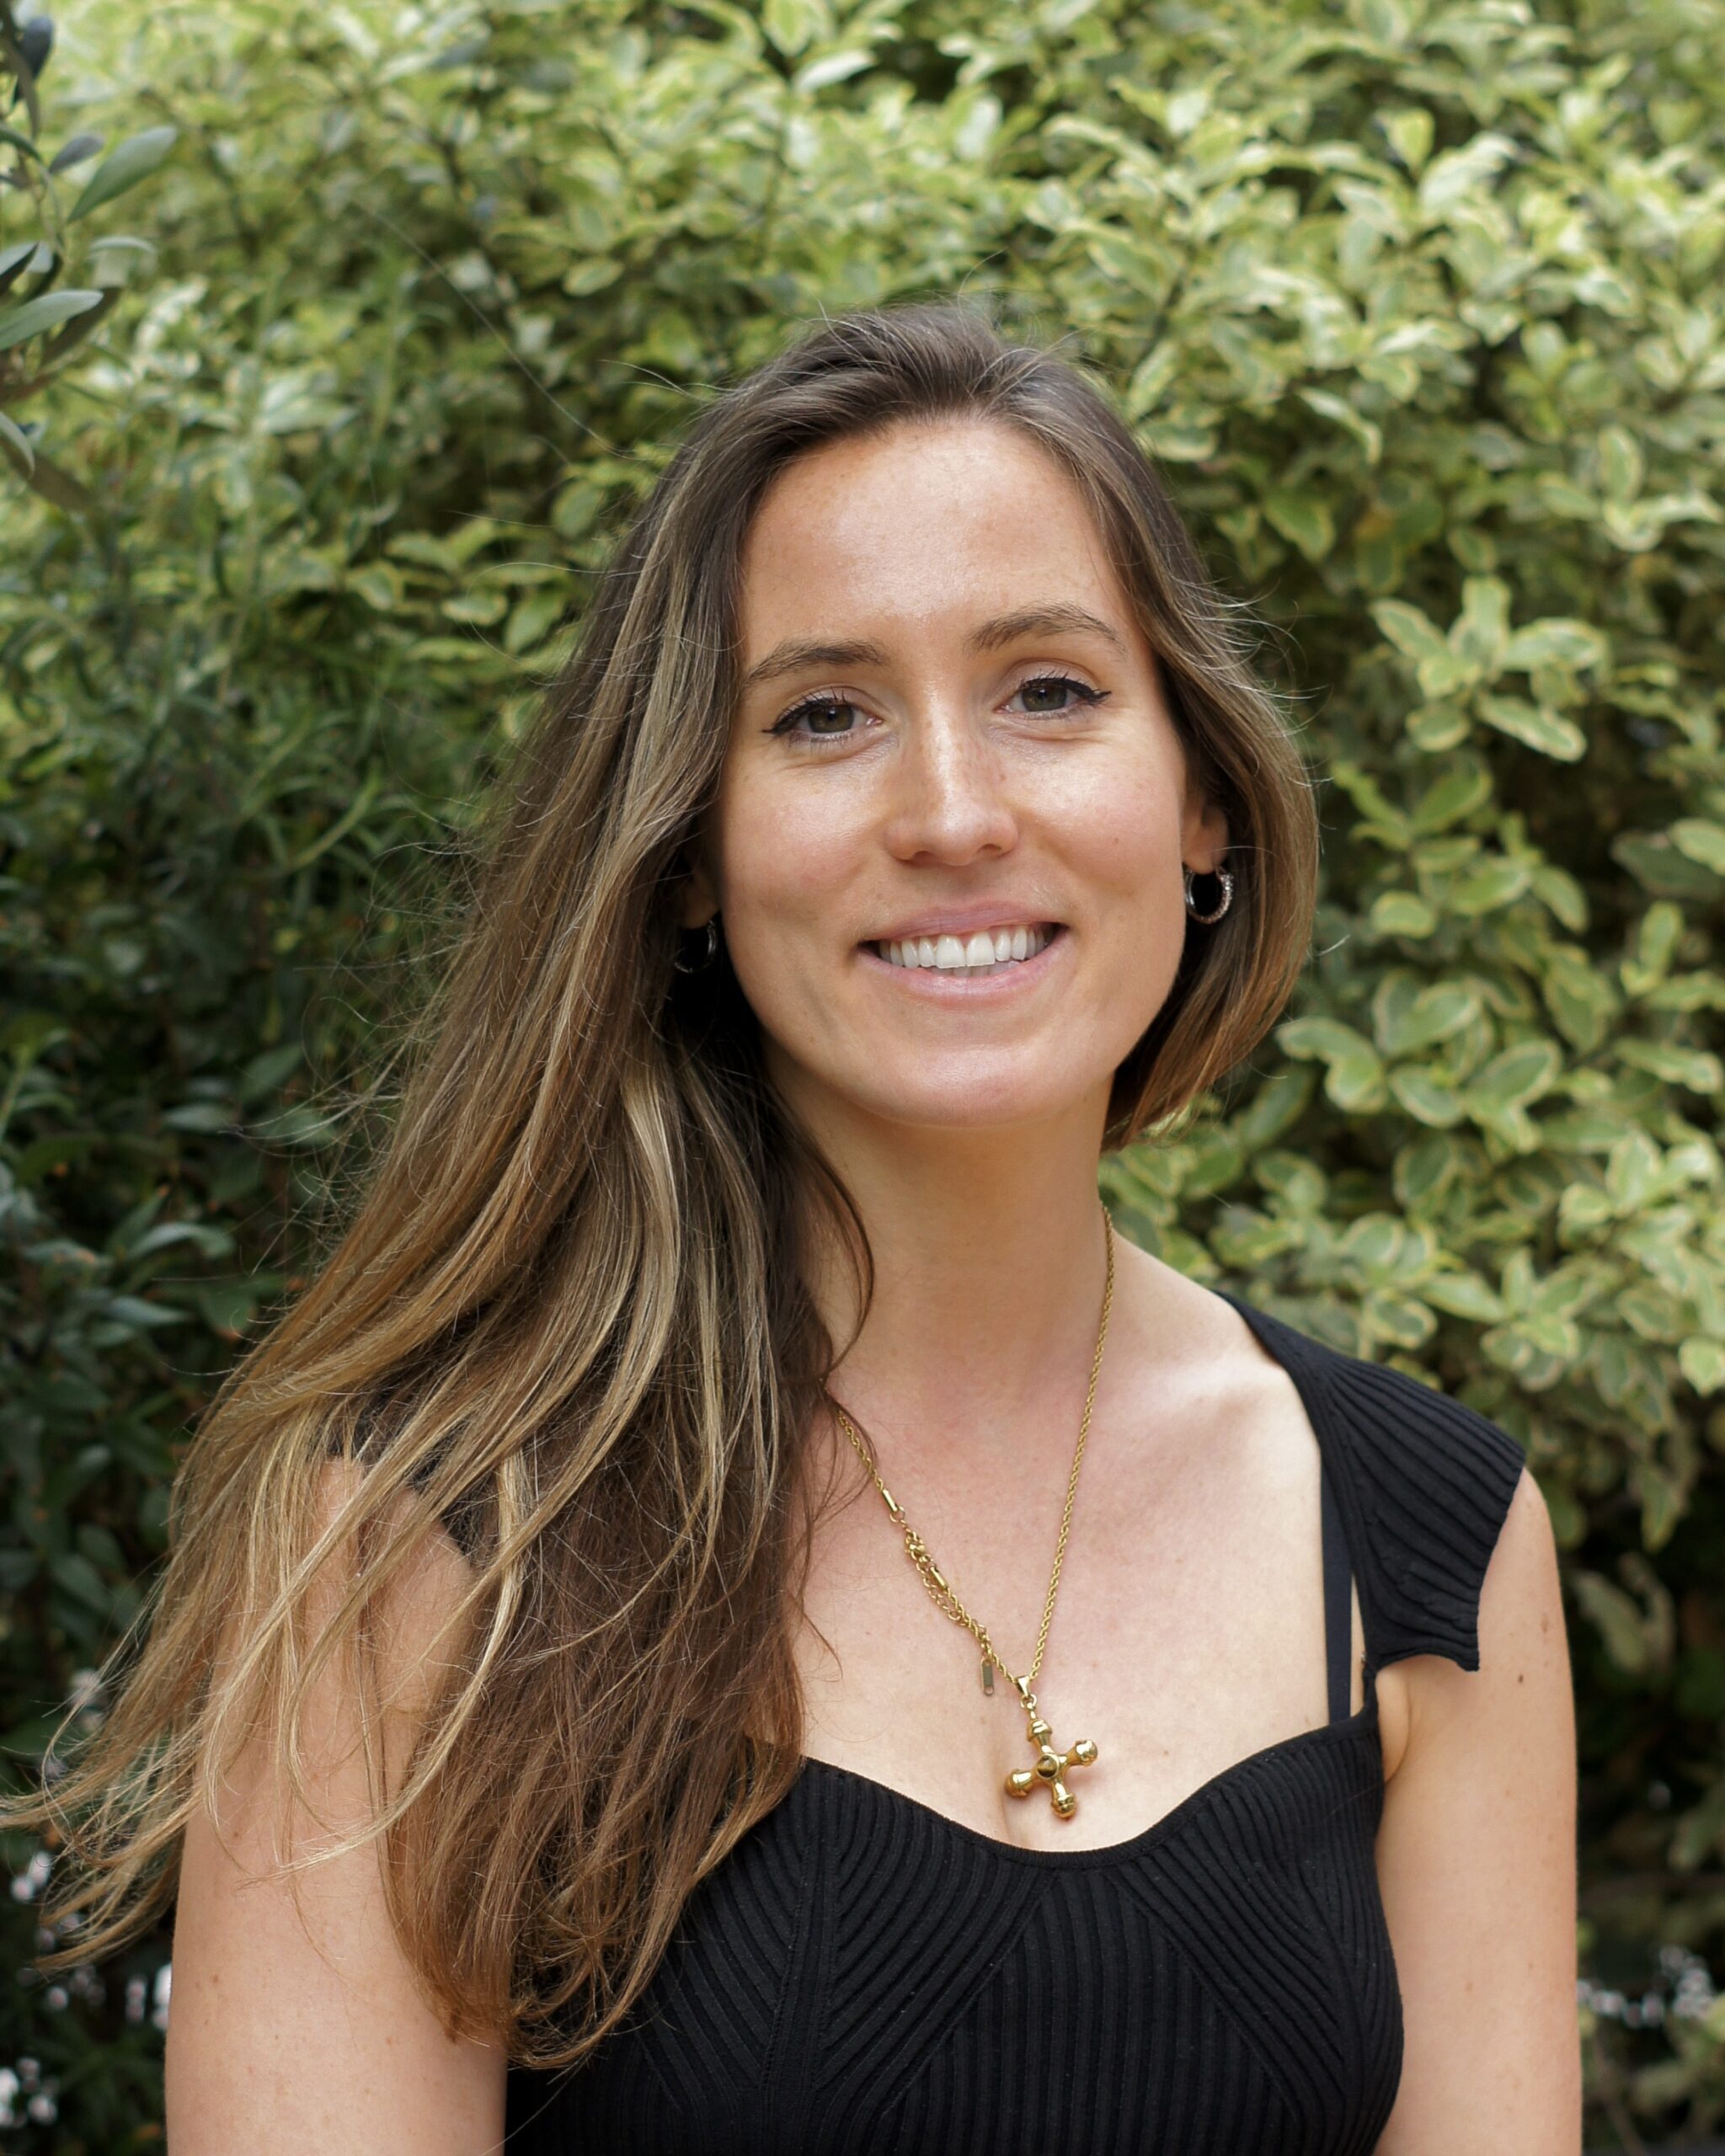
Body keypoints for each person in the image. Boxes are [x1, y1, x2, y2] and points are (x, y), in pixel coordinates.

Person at [14, 302, 1579, 2153]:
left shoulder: (1429, 1546)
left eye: (1050, 690)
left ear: (1204, 805)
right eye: (823, 714)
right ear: (689, 851)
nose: (949, 810)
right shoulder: (425, 1539)